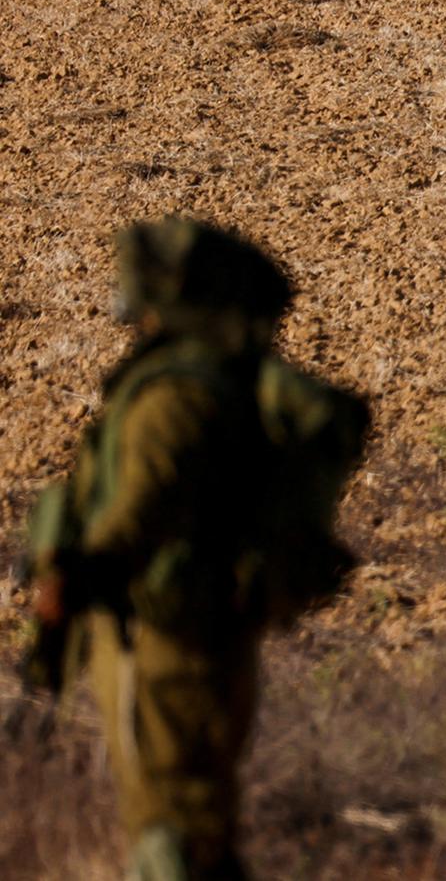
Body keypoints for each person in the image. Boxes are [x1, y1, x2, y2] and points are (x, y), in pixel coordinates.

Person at [19, 218, 363, 879]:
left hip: (166, 640)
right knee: (197, 835)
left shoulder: (173, 394)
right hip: (190, 634)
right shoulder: (213, 380)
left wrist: (82, 570)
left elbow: (149, 501)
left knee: (171, 835)